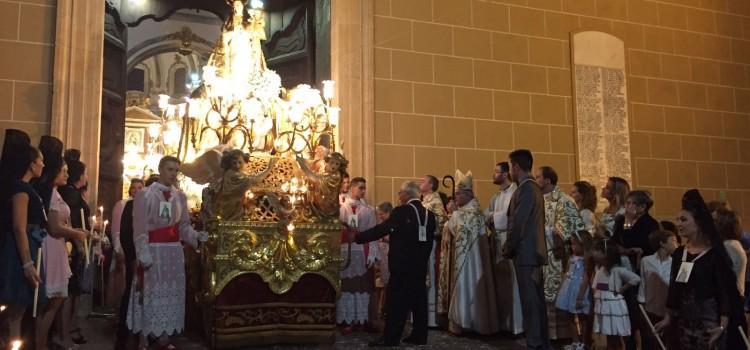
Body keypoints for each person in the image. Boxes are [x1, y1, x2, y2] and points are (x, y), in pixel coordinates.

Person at [127, 156, 208, 350]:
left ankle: (164, 338)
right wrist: (142, 252)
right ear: (161, 169)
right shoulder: (145, 195)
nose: (173, 174)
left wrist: (197, 237)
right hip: (153, 251)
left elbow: (184, 228)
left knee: (168, 296)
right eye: (170, 169)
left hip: (172, 254)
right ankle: (144, 339)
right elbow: (139, 228)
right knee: (149, 294)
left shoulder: (180, 196)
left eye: (176, 170)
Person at [351, 181, 436, 346]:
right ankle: (419, 336)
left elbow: (382, 229)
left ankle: (390, 338)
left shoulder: (402, 211)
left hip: (402, 266)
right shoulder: (429, 214)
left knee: (395, 303)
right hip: (419, 266)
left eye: (399, 193)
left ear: (406, 194)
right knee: (418, 301)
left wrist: (358, 237)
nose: (398, 196)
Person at [655, 189, 741, 350]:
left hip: (709, 323)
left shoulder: (714, 254)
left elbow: (724, 291)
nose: (678, 224)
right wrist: (668, 317)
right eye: (677, 219)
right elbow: (676, 286)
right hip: (684, 323)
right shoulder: (681, 253)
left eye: (684, 219)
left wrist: (722, 325)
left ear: (699, 222)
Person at [34, 136, 89, 350]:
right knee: (51, 300)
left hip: (57, 245)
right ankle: (40, 343)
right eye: (64, 170)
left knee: (56, 300)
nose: (67, 173)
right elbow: (54, 227)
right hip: (51, 244)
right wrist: (75, 234)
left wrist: (74, 231)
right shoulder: (51, 194)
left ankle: (43, 340)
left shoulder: (57, 192)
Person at [502, 149, 551, 350]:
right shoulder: (528, 188)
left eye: (510, 166)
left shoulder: (527, 189)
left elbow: (519, 222)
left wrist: (508, 247)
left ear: (516, 166)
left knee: (530, 301)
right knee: (534, 301)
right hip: (530, 253)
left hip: (527, 253)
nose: (510, 171)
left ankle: (536, 343)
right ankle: (539, 341)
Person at [439, 170, 498, 335]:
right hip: (465, 258)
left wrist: (452, 216)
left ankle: (467, 321)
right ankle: (461, 321)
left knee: (468, 286)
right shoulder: (465, 212)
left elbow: (456, 230)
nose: (455, 197)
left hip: (471, 260)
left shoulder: (471, 213)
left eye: (458, 194)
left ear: (468, 194)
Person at [0, 133, 46, 345]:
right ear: (31, 164)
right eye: (40, 161)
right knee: (15, 307)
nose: (43, 165)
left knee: (21, 306)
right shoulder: (20, 188)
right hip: (20, 251)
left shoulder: (27, 188)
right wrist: (27, 262)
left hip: (31, 245)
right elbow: (19, 227)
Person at [534, 166, 584, 341]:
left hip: (557, 256)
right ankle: (545, 334)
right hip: (539, 256)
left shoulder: (564, 201)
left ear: (548, 180)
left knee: (557, 297)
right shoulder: (537, 199)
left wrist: (547, 233)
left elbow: (570, 229)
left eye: (538, 176)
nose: (535, 179)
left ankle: (561, 336)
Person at [59, 149, 95, 345]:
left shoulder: (72, 193)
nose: (87, 176)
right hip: (73, 247)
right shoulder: (70, 194)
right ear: (79, 175)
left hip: (76, 244)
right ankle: (65, 332)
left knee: (73, 292)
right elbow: (71, 222)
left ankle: (69, 328)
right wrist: (83, 237)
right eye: (86, 172)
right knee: (69, 292)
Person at [484, 162, 523, 335]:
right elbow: (487, 214)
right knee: (501, 285)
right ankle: (504, 324)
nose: (493, 175)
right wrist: (491, 217)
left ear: (506, 174)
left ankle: (517, 325)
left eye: (496, 172)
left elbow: (514, 217)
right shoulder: (496, 196)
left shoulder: (516, 192)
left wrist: (494, 217)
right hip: (497, 241)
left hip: (510, 241)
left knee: (512, 284)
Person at [114, 176, 152, 350]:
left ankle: (145, 332)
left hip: (151, 259)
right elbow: (125, 234)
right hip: (135, 258)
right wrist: (131, 257)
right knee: (131, 292)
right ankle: (124, 332)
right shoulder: (129, 206)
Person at [338, 177, 378, 332]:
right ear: (352, 188)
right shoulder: (341, 208)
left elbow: (373, 233)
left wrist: (373, 254)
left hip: (361, 252)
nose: (363, 190)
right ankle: (347, 319)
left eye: (364, 188)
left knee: (361, 285)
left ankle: (361, 319)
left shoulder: (368, 210)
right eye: (360, 187)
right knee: (347, 285)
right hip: (344, 251)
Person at [591, 239, 641, 350]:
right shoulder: (599, 269)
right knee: (608, 332)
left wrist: (622, 289)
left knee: (616, 334)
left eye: (596, 250)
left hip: (613, 305)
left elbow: (636, 278)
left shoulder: (617, 270)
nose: (593, 253)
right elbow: (595, 286)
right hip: (602, 305)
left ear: (605, 253)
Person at [712, 207, 749, 345]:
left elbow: (724, 280)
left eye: (715, 220)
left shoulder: (729, 246)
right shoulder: (728, 244)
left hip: (731, 303)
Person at [637, 229, 677, 350]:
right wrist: (642, 305)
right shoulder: (646, 261)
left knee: (668, 342)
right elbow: (643, 284)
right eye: (673, 241)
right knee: (650, 342)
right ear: (662, 243)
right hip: (651, 309)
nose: (677, 244)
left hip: (668, 309)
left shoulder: (676, 262)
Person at [108, 179, 144, 309]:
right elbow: (116, 230)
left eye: (140, 187)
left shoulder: (144, 205)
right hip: (125, 248)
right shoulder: (123, 204)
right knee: (124, 283)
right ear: (130, 190)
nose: (137, 190)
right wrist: (119, 249)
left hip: (138, 249)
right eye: (134, 188)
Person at [555, 231, 593, 350]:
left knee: (583, 317)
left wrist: (581, 295)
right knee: (569, 315)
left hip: (580, 288)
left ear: (583, 244)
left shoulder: (587, 258)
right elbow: (566, 274)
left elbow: (587, 277)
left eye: (575, 244)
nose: (573, 247)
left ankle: (584, 342)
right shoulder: (571, 258)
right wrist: (560, 289)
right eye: (572, 244)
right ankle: (575, 341)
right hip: (569, 288)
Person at [419, 175, 447, 328]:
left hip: (430, 243)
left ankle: (431, 318)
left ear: (430, 185)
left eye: (423, 181)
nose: (419, 182)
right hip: (420, 244)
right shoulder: (424, 201)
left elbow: (441, 222)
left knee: (430, 277)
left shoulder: (435, 201)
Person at [373, 202, 393, 328]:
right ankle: (383, 308)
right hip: (382, 255)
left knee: (389, 283)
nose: (380, 217)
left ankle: (387, 309)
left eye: (382, 214)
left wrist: (384, 239)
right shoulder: (383, 223)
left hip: (389, 255)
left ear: (388, 213)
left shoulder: (393, 223)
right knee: (384, 283)